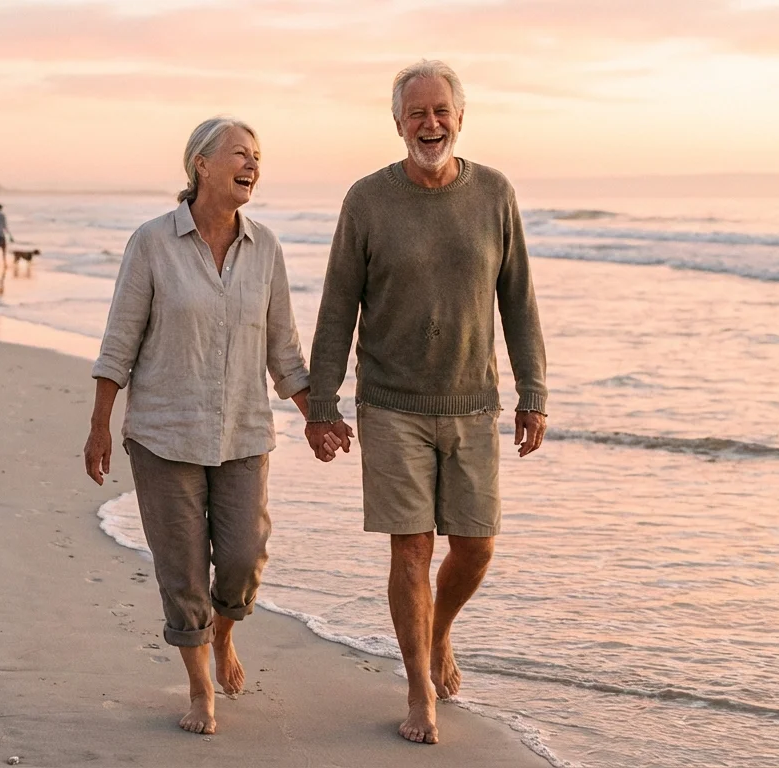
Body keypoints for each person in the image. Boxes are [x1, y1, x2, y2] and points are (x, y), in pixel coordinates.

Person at [305, 60, 549, 745]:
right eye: (416, 113)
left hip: (473, 402)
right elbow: (336, 307)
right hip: (390, 402)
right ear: (397, 123)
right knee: (410, 548)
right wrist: (322, 404)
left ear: (460, 118)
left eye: (440, 111)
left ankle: (439, 631)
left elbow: (519, 301)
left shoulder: (495, 194)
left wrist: (535, 392)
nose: (429, 124)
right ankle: (417, 688)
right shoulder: (367, 200)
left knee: (475, 546)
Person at [84, 117, 320, 736]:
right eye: (240, 154)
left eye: (258, 157)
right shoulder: (152, 243)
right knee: (183, 568)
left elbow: (284, 350)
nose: (253, 165)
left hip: (243, 432)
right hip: (164, 435)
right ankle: (198, 687)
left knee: (243, 557)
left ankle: (224, 636)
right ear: (201, 166)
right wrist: (101, 425)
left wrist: (317, 416)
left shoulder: (265, 247)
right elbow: (119, 341)